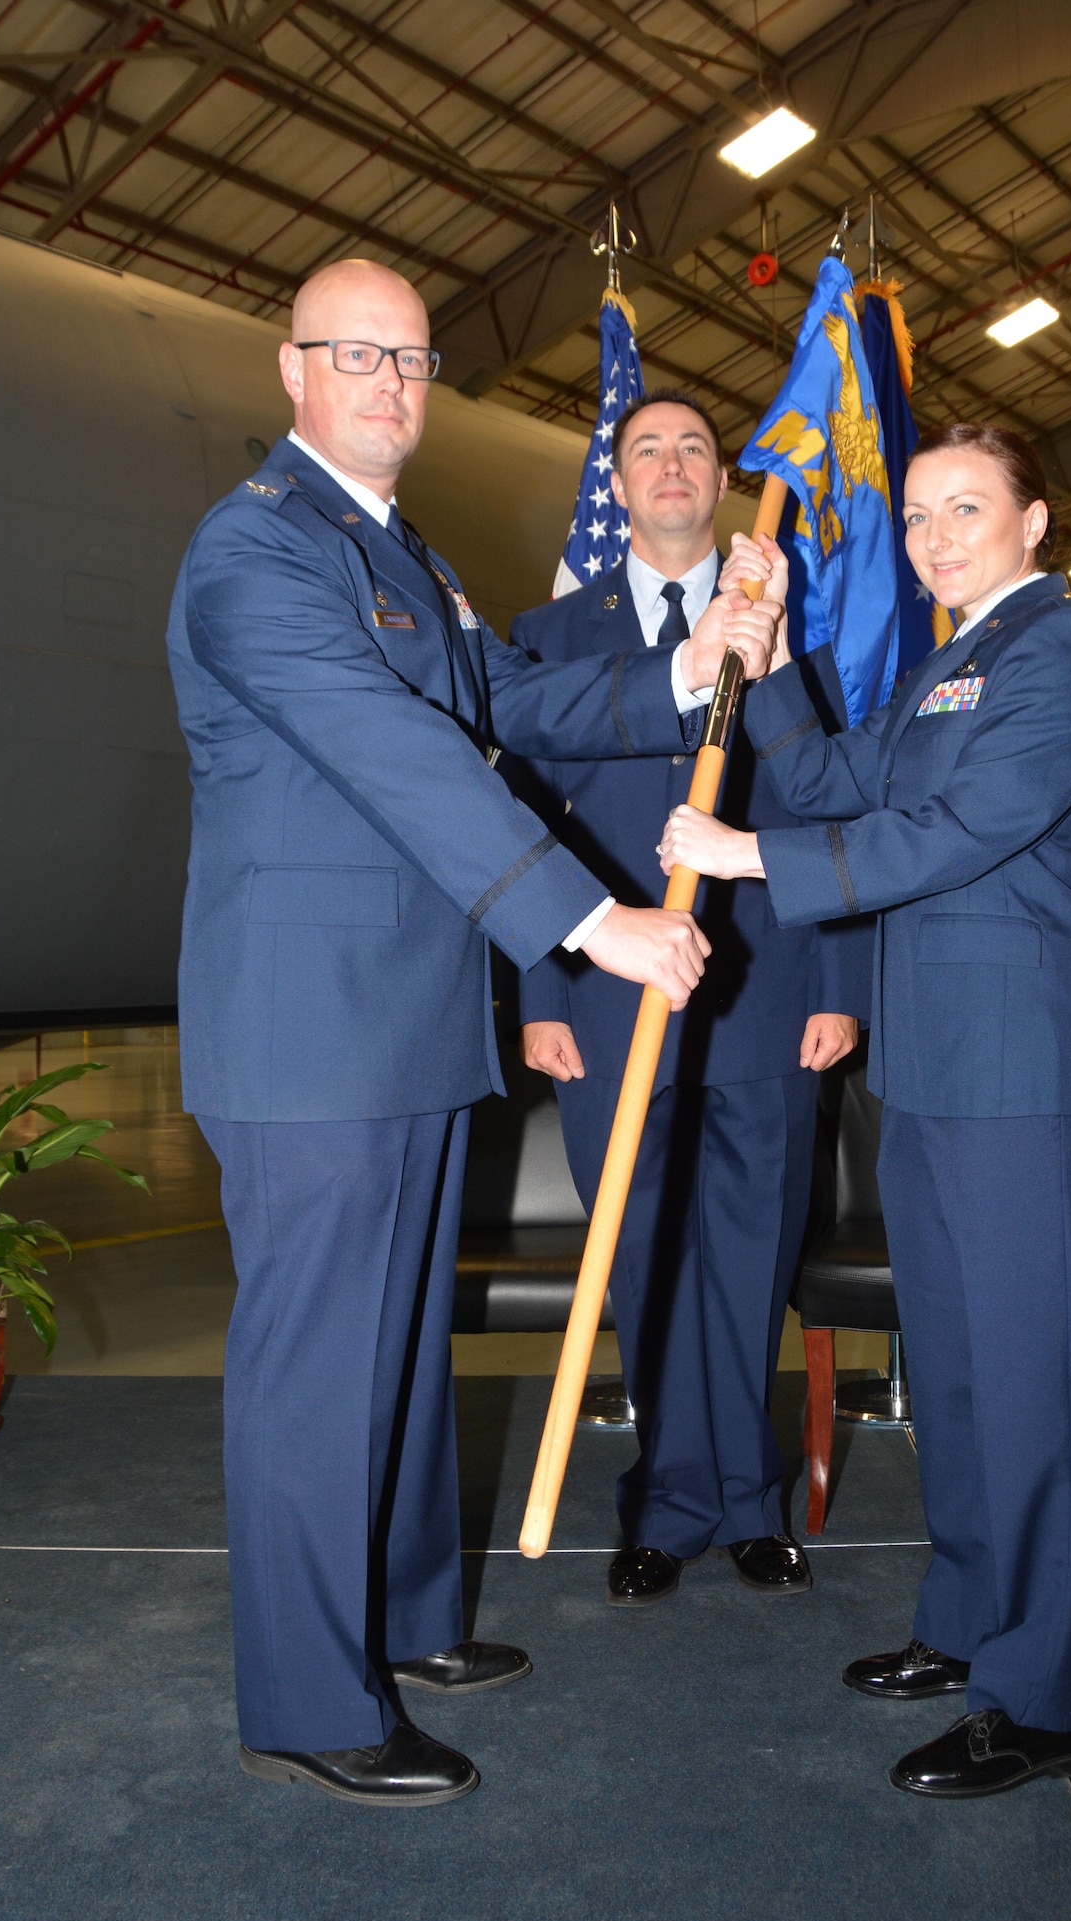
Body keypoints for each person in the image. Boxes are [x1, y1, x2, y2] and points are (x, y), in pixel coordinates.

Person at [165, 260, 777, 1807]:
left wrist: (692, 663)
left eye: (412, 358)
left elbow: (518, 698)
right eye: (354, 354)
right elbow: (397, 755)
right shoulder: (255, 553)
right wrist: (591, 920)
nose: (387, 380)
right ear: (291, 369)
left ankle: (411, 1619)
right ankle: (310, 1698)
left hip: (412, 1024)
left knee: (400, 1349)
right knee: (318, 1363)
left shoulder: (407, 562)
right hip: (308, 1034)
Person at [659, 423, 1071, 1799]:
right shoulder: (951, 659)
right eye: (919, 513)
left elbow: (956, 831)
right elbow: (823, 779)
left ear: (1035, 523)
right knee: (964, 1382)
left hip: (1020, 1075)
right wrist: (780, 644)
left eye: (965, 507)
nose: (934, 535)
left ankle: (1041, 1698)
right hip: (929, 1075)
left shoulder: (1065, 649)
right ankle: (969, 1625)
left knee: (1032, 1386)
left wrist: (744, 855)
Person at [505, 389, 865, 1606]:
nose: (670, 464)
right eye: (645, 447)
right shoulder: (550, 637)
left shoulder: (781, 632)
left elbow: (825, 806)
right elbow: (517, 828)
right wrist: (538, 992)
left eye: (694, 450)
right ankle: (666, 1501)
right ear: (616, 485)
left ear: (719, 487)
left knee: (751, 1256)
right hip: (607, 1006)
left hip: (767, 995)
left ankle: (752, 1500)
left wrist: (842, 982)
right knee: (642, 1258)